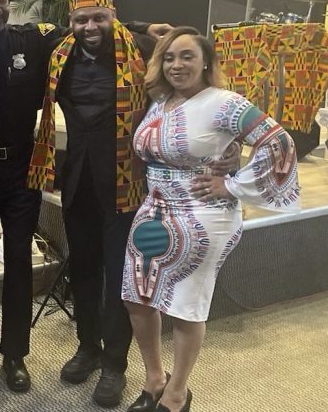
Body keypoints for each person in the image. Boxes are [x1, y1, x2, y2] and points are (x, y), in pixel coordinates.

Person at [0, 0, 170, 393]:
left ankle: (110, 364)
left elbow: (187, 70)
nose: (90, 27)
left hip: (121, 179)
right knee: (82, 266)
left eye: (99, 18)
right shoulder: (48, 49)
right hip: (63, 177)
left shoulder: (136, 50)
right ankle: (85, 347)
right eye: (82, 19)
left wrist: (144, 28)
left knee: (115, 272)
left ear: (113, 16)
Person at [121, 26, 300, 412]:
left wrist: (233, 185)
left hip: (204, 214)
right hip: (154, 209)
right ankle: (154, 380)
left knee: (187, 303)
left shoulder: (224, 103)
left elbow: (278, 141)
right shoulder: (160, 100)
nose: (177, 64)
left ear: (206, 62)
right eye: (169, 57)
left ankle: (176, 393)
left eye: (187, 56)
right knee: (137, 296)